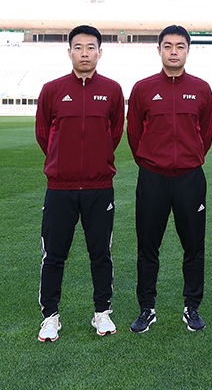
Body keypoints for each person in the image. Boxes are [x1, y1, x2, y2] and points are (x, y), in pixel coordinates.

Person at [35, 25, 124, 342]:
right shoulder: (52, 90)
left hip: (100, 188)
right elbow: (44, 135)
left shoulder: (112, 90)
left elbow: (114, 133)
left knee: (100, 253)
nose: (84, 53)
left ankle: (102, 313)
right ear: (69, 51)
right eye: (78, 47)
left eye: (90, 47)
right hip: (60, 188)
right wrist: (64, 164)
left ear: (100, 51)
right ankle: (50, 317)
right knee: (54, 255)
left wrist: (96, 163)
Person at [127, 24, 212, 333]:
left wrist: (189, 158)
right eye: (168, 46)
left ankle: (192, 307)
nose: (174, 51)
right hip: (152, 178)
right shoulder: (143, 88)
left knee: (194, 246)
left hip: (190, 179)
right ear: (160, 50)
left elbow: (207, 132)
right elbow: (134, 132)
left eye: (180, 46)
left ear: (188, 50)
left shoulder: (202, 89)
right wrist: (151, 161)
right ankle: (146, 308)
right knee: (148, 246)